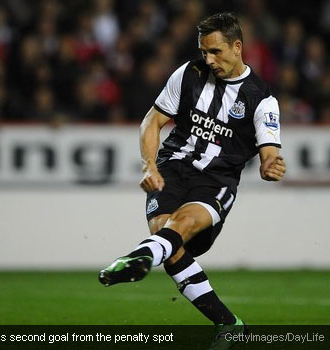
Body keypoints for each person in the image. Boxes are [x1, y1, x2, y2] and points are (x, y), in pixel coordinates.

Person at [98, 12, 286, 349]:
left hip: (215, 182)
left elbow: (270, 150)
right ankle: (229, 326)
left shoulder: (261, 98)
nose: (208, 60)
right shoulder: (188, 73)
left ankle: (140, 256)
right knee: (168, 240)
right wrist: (149, 166)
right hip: (173, 166)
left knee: (177, 228)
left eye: (215, 52)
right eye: (204, 52)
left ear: (237, 47)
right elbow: (151, 122)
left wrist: (270, 165)